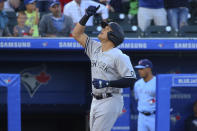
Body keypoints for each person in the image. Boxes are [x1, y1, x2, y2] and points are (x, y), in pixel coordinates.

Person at [72, 5, 136, 131]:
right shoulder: (95, 48)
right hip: (96, 99)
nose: (102, 29)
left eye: (106, 29)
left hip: (111, 99)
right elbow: (76, 34)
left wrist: (107, 82)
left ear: (113, 35)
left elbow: (131, 79)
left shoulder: (119, 56)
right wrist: (86, 16)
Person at [134, 59, 156, 131]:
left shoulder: (157, 82)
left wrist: (152, 101)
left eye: (141, 69)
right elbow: (137, 98)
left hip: (154, 116)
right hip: (142, 116)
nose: (139, 71)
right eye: (138, 69)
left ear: (149, 69)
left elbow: (162, 100)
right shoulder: (137, 84)